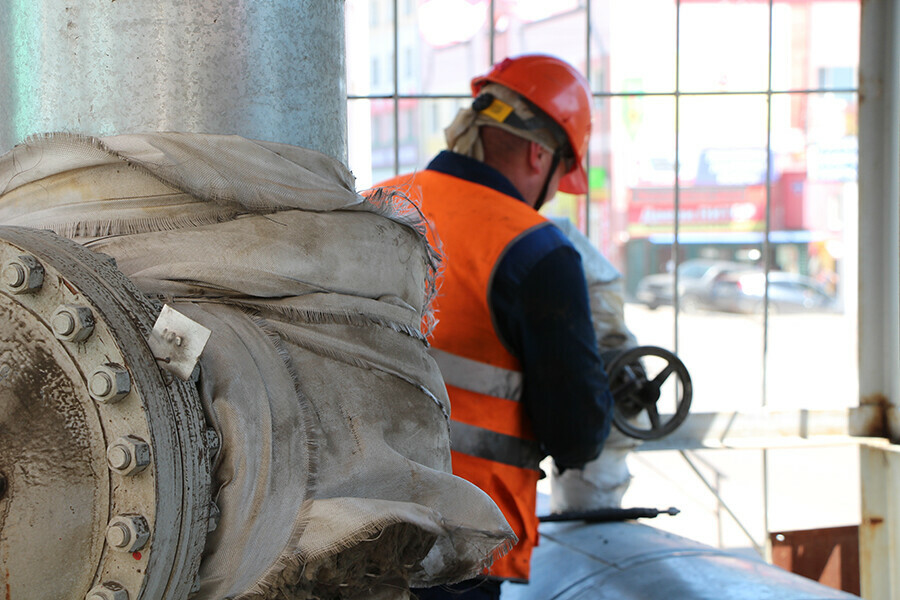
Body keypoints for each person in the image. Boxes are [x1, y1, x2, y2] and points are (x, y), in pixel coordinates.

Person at [376, 54, 614, 599]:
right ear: (540, 154)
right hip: (458, 544)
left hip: (348, 522)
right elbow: (577, 434)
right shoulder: (534, 247)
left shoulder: (375, 206)